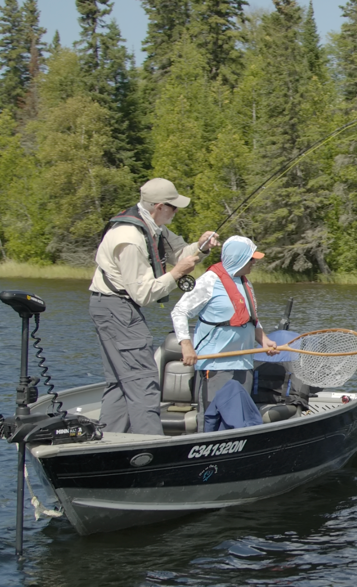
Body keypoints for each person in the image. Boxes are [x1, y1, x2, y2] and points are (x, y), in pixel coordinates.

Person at [89, 178, 218, 435]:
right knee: (143, 380)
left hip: (111, 307)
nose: (176, 212)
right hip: (117, 308)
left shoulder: (153, 226)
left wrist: (201, 247)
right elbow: (144, 294)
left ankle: (109, 438)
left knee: (120, 381)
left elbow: (181, 252)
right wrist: (176, 275)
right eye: (174, 207)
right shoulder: (130, 239)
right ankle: (151, 443)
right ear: (159, 206)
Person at [172, 235, 278, 405]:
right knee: (213, 416)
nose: (254, 262)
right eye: (251, 258)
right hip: (215, 366)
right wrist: (186, 346)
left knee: (240, 415)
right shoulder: (209, 281)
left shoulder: (245, 283)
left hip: (244, 363)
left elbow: (251, 319)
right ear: (239, 258)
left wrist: (264, 340)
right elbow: (179, 312)